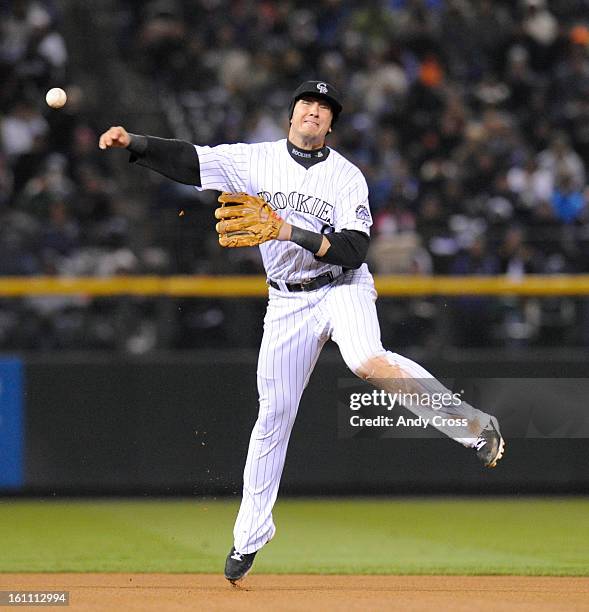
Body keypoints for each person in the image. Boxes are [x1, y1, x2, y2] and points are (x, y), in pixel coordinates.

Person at [98, 80, 505, 584]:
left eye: (324, 108)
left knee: (365, 359)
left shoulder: (346, 177)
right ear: (291, 115)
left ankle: (469, 424)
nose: (314, 111)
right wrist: (134, 142)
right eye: (307, 104)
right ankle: (249, 537)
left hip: (343, 287)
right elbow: (190, 161)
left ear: (331, 124)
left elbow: (355, 250)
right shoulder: (255, 161)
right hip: (285, 301)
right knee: (273, 415)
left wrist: (286, 230)